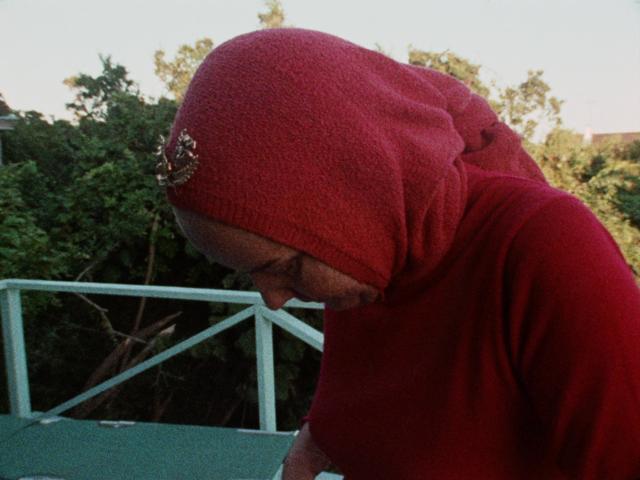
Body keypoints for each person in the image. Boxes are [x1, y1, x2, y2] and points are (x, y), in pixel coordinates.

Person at [158, 28, 640, 479]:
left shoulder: (545, 246)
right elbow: (378, 405)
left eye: (285, 267)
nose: (274, 300)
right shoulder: (372, 261)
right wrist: (317, 437)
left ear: (353, 197)